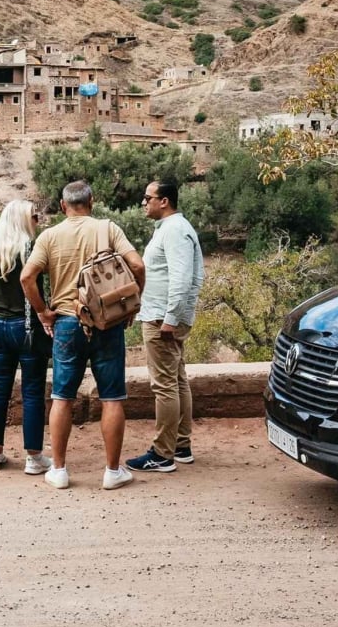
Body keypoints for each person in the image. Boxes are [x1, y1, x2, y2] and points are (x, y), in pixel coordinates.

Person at [20, 180, 145, 490]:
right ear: (92, 201)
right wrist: (129, 305)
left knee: (62, 397)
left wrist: (42, 311)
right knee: (112, 397)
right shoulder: (108, 229)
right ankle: (112, 472)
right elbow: (138, 265)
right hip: (107, 322)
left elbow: (27, 277)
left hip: (66, 322)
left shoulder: (50, 236)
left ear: (63, 206)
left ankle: (60, 470)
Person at [127, 180, 206, 473]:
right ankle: (181, 445)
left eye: (148, 198)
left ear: (165, 201)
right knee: (177, 379)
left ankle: (162, 454)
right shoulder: (171, 229)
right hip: (164, 315)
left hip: (162, 317)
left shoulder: (174, 231)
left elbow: (183, 278)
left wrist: (171, 318)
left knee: (164, 385)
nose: (143, 202)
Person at [0, 199, 51, 475]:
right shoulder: (31, 248)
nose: (37, 220)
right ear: (22, 220)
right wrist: (42, 310)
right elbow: (29, 282)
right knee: (32, 392)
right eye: (33, 216)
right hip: (26, 325)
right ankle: (33, 457)